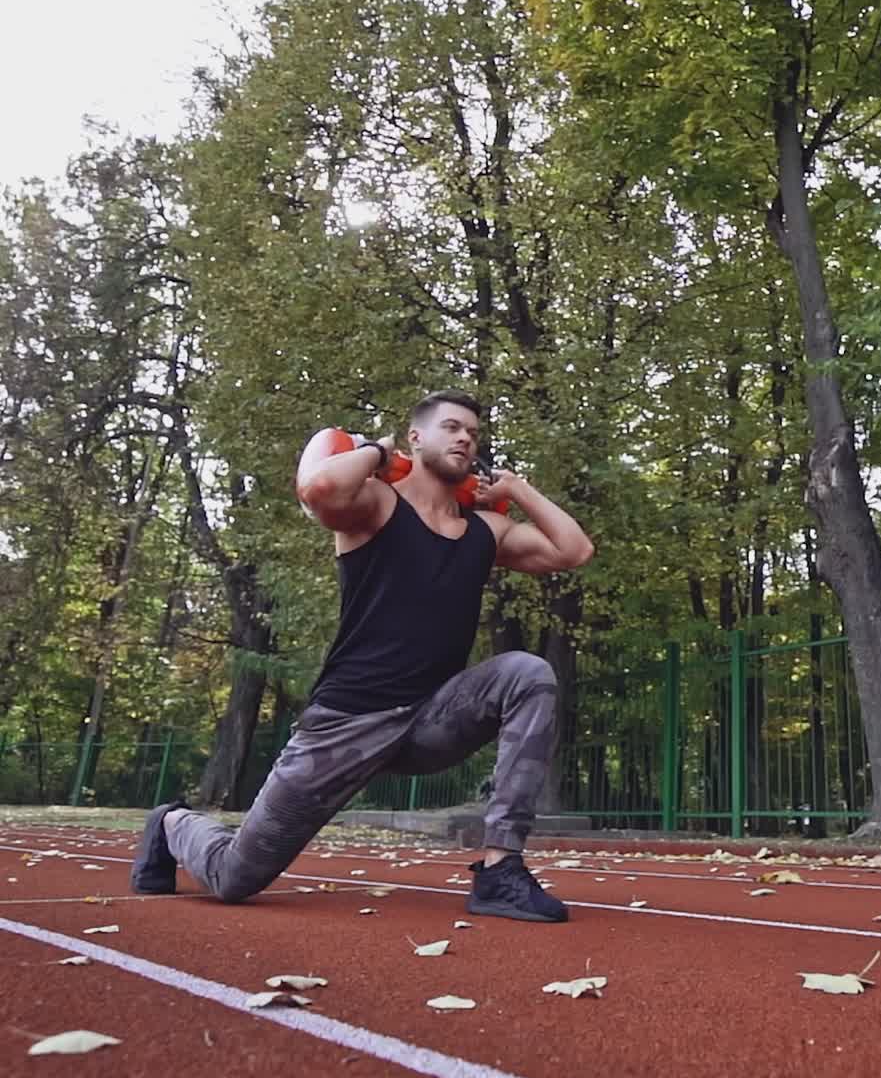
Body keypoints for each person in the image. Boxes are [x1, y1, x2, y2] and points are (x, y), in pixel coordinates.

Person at [130, 389, 594, 922]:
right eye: (450, 427)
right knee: (236, 878)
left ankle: (499, 870)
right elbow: (318, 486)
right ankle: (172, 824)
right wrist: (376, 452)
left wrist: (520, 489)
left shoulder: (487, 532)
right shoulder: (375, 503)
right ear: (416, 438)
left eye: (472, 431)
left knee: (528, 673)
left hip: (429, 720)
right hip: (346, 722)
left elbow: (573, 551)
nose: (465, 437)